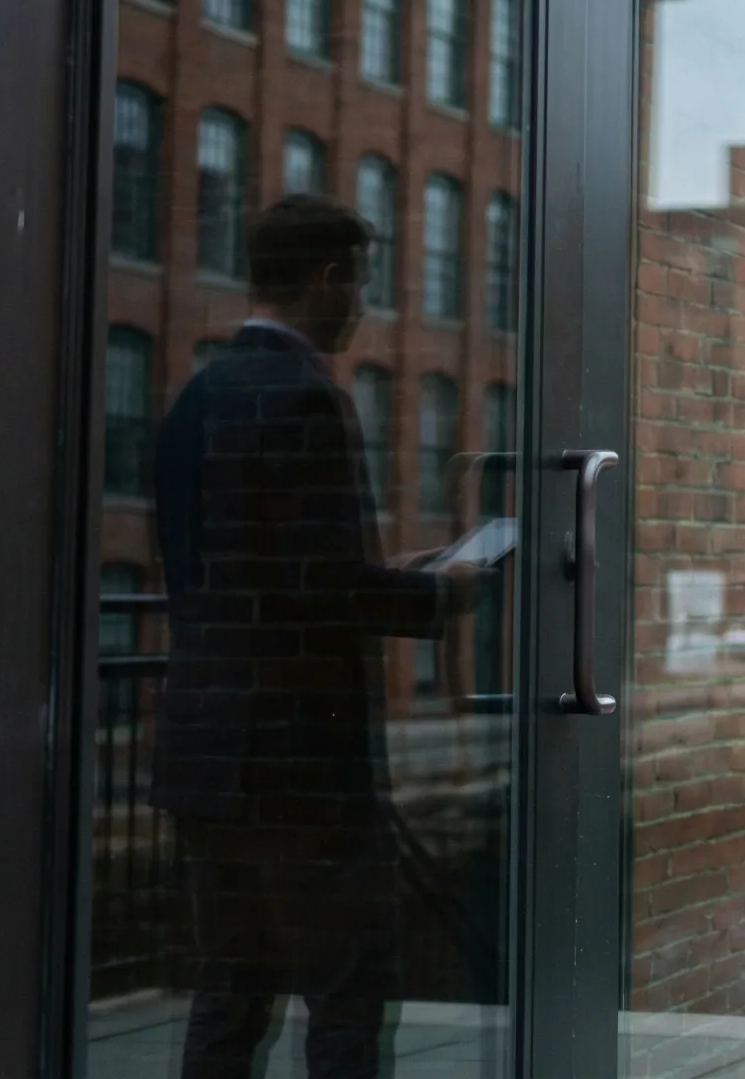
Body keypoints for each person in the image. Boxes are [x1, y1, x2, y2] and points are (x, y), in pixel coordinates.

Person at [150, 194, 478, 1078]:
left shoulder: (196, 396)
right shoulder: (307, 399)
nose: (363, 308)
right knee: (346, 991)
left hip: (204, 752)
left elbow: (253, 575)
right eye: (361, 285)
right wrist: (442, 595)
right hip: (295, 760)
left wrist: (392, 575)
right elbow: (321, 592)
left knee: (229, 988)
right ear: (328, 278)